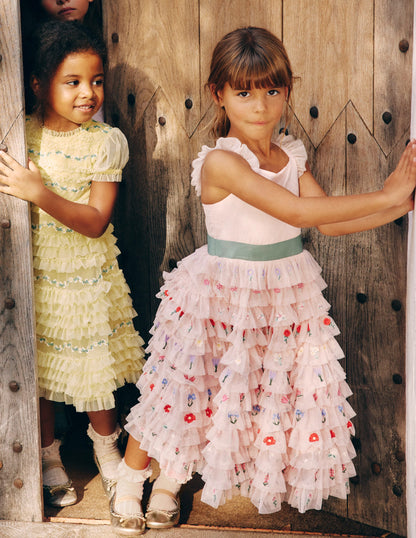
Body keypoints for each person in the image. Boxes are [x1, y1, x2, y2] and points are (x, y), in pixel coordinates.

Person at [109, 27, 416, 535]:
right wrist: (386, 195)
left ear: (287, 91)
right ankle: (132, 476)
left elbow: (327, 220)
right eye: (245, 92)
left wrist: (397, 202)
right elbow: (293, 209)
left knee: (229, 394)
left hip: (281, 293)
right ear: (219, 94)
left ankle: (171, 482)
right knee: (179, 388)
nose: (261, 105)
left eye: (273, 91)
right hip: (220, 290)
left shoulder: (290, 155)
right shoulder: (222, 162)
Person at [0, 20, 145, 508]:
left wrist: (39, 193)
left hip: (84, 280)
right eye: (74, 81)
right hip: (34, 276)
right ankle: (47, 457)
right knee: (38, 372)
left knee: (92, 371)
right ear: (40, 84)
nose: (89, 93)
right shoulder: (20, 135)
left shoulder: (105, 141)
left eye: (97, 81)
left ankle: (108, 451)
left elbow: (96, 221)